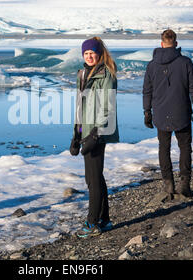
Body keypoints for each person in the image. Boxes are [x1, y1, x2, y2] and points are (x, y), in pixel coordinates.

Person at [142, 29, 193, 198]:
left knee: (164, 148)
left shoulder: (152, 65)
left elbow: (147, 90)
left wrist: (147, 111)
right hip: (181, 112)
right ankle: (184, 185)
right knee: (184, 148)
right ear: (175, 44)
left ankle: (168, 185)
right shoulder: (185, 62)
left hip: (160, 114)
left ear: (161, 44)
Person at [70, 37, 119, 238]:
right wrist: (76, 134)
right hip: (85, 131)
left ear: (99, 54)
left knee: (93, 179)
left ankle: (92, 223)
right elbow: (80, 106)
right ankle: (104, 219)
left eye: (92, 53)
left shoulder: (106, 75)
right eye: (86, 54)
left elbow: (108, 107)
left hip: (99, 132)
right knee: (94, 177)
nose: (89, 57)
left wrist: (95, 134)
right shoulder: (82, 74)